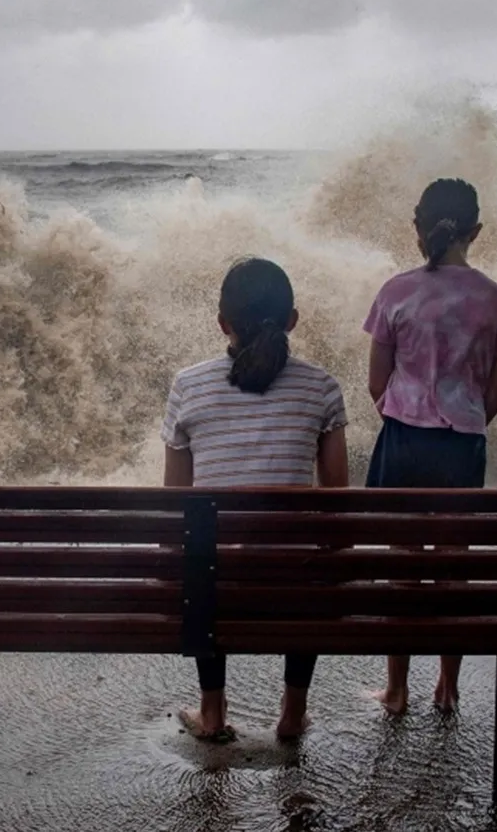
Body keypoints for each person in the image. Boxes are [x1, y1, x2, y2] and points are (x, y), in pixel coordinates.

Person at [162, 257, 350, 742]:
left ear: (223, 323)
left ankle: (212, 711)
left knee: (200, 546)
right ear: (292, 320)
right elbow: (336, 500)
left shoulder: (188, 385)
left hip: (214, 585)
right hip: (294, 586)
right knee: (312, 555)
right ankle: (291, 714)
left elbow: (175, 501)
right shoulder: (322, 387)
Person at [362, 178, 497, 715]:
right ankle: (448, 688)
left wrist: (409, 413)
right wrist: (462, 419)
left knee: (402, 568)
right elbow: (494, 396)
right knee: (454, 567)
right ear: (475, 231)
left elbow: (376, 385)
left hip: (403, 439)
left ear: (417, 228)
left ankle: (396, 690)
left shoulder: (395, 291)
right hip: (462, 445)